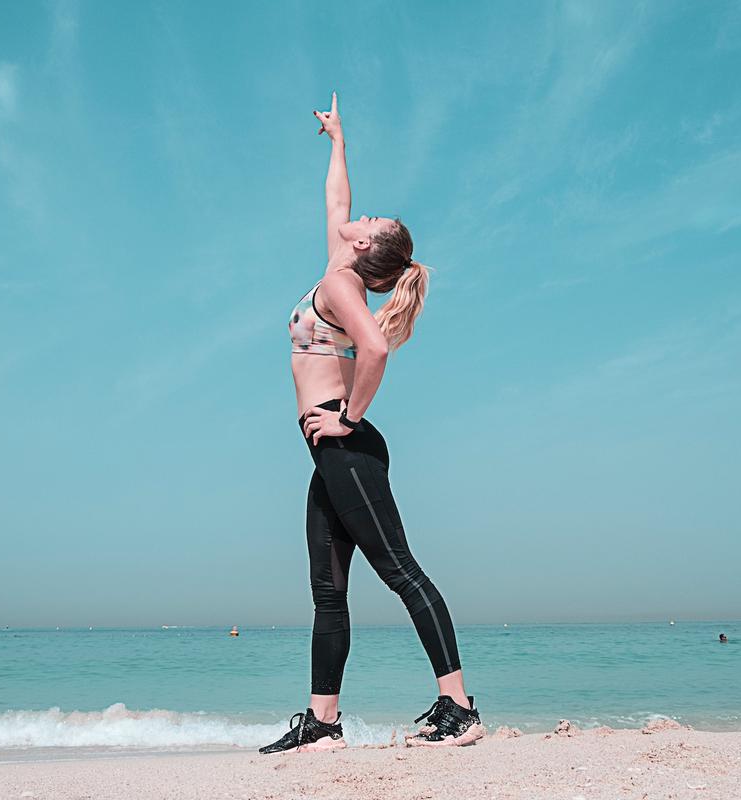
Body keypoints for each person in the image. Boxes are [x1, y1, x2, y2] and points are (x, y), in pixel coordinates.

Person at [258, 92, 484, 755]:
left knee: (400, 572)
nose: (361, 214)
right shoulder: (340, 264)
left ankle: (459, 708)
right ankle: (323, 723)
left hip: (346, 446)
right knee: (328, 590)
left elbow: (377, 350)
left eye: (372, 218)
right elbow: (335, 202)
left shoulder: (341, 288)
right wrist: (338, 144)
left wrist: (349, 419)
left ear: (368, 243)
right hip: (332, 454)